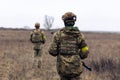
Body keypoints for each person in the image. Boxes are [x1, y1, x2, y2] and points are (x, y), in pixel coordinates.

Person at [49, 12, 89, 80]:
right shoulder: (79, 35)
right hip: (76, 68)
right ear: (73, 22)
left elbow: (52, 51)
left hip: (63, 68)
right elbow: (85, 51)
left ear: (64, 21)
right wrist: (79, 56)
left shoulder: (58, 35)